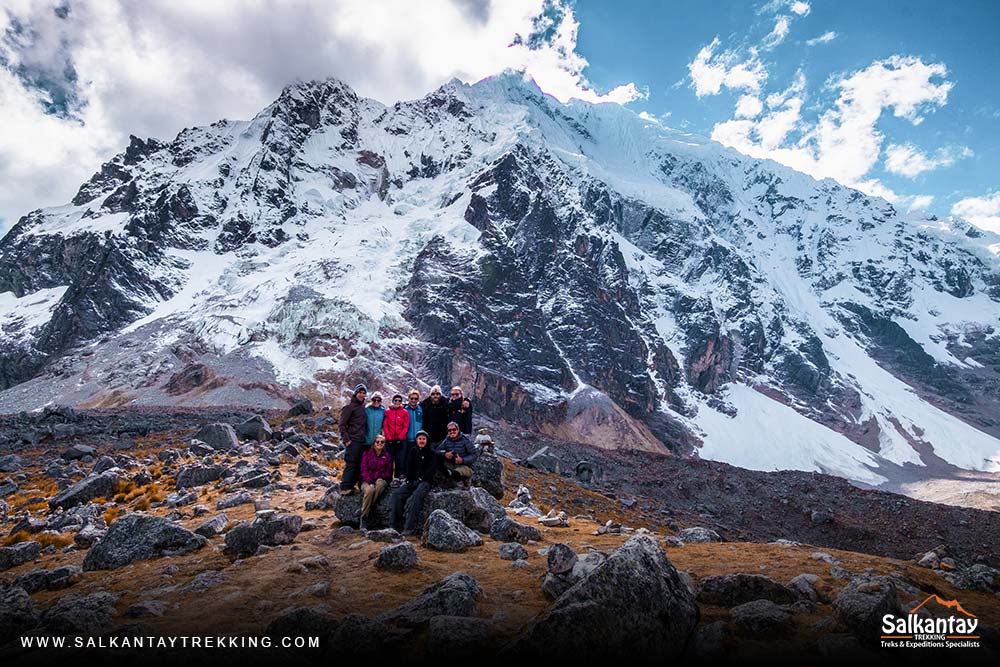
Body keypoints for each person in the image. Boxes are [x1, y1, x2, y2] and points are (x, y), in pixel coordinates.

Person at [390, 430, 437, 536]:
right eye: (419, 439)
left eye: (423, 439)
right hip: (412, 481)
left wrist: (421, 479)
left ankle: (408, 528)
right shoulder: (413, 451)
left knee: (416, 496)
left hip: (425, 482)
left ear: (427, 440)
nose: (421, 441)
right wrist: (409, 480)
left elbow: (431, 471)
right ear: (416, 440)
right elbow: (409, 467)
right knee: (396, 495)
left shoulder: (431, 453)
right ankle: (394, 526)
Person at [359, 435, 393, 530]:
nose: (379, 444)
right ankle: (364, 517)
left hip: (381, 479)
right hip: (366, 480)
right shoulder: (366, 454)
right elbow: (363, 469)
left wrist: (380, 478)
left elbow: (389, 471)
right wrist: (370, 481)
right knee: (370, 490)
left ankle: (368, 508)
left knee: (380, 485)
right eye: (377, 442)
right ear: (374, 443)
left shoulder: (387, 456)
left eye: (382, 442)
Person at [338, 384, 368, 494]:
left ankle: (353, 485)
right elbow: (342, 425)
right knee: (351, 463)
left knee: (360, 464)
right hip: (353, 440)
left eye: (364, 393)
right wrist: (346, 440)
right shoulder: (349, 408)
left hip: (361, 441)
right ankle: (345, 487)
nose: (362, 395)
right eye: (360, 392)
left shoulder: (363, 408)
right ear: (355, 393)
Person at [436, 421, 479, 487]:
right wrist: (445, 454)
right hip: (450, 464)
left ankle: (464, 482)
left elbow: (474, 454)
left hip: (464, 466)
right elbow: (437, 450)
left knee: (456, 474)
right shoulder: (447, 440)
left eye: (454, 429)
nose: (452, 432)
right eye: (449, 430)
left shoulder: (465, 440)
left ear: (458, 430)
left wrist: (462, 460)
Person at [382, 393, 410, 480]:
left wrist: (400, 437)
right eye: (395, 400)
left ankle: (399, 476)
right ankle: (388, 477)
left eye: (399, 401)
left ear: (401, 402)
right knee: (389, 459)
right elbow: (385, 425)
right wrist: (389, 437)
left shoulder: (405, 412)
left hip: (401, 440)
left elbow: (406, 426)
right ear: (393, 401)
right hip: (390, 440)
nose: (397, 402)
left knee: (400, 459)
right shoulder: (387, 412)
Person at [403, 389, 423, 478]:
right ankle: (406, 476)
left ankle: (417, 476)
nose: (414, 400)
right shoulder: (404, 409)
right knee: (407, 459)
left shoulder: (421, 409)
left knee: (418, 459)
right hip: (407, 439)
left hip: (418, 440)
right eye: (412, 398)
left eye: (416, 398)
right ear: (409, 399)